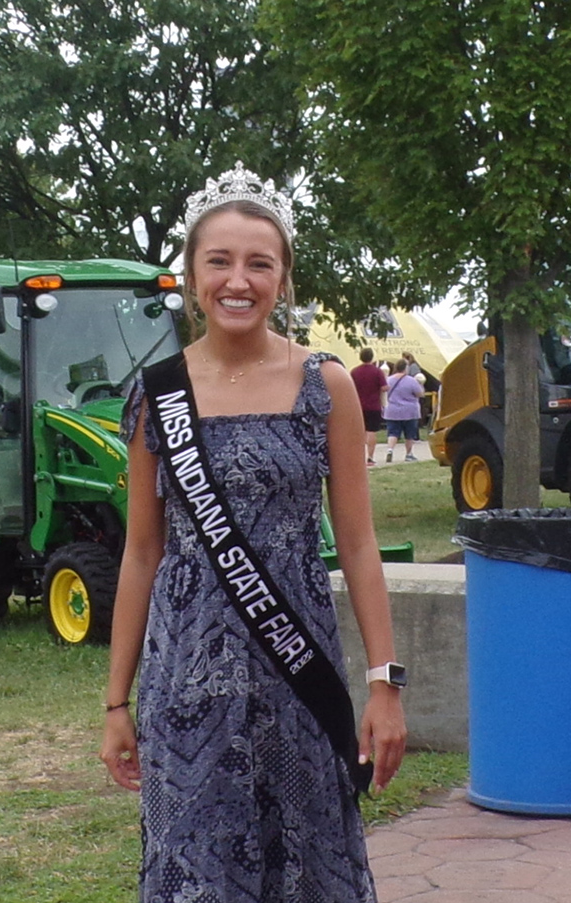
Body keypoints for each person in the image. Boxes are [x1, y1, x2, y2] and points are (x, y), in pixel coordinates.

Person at [100, 162, 406, 903]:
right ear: (190, 275)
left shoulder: (324, 384)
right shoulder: (156, 393)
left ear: (283, 278)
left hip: (296, 674)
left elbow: (360, 543)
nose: (239, 280)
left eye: (259, 263)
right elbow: (143, 552)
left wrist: (384, 682)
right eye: (220, 261)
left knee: (307, 863)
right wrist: (116, 701)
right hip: (186, 691)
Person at [350, 347, 388, 466]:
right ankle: (370, 457)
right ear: (372, 357)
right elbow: (384, 387)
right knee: (371, 431)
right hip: (373, 406)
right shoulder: (377, 372)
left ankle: (358, 457)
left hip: (358, 406)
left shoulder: (354, 371)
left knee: (359, 433)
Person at [383, 358, 425, 463]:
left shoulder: (388, 380)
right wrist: (421, 385)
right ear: (406, 368)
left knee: (392, 433)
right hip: (410, 411)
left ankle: (390, 450)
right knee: (409, 434)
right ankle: (409, 454)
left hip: (392, 411)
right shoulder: (412, 381)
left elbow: (385, 393)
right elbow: (420, 394)